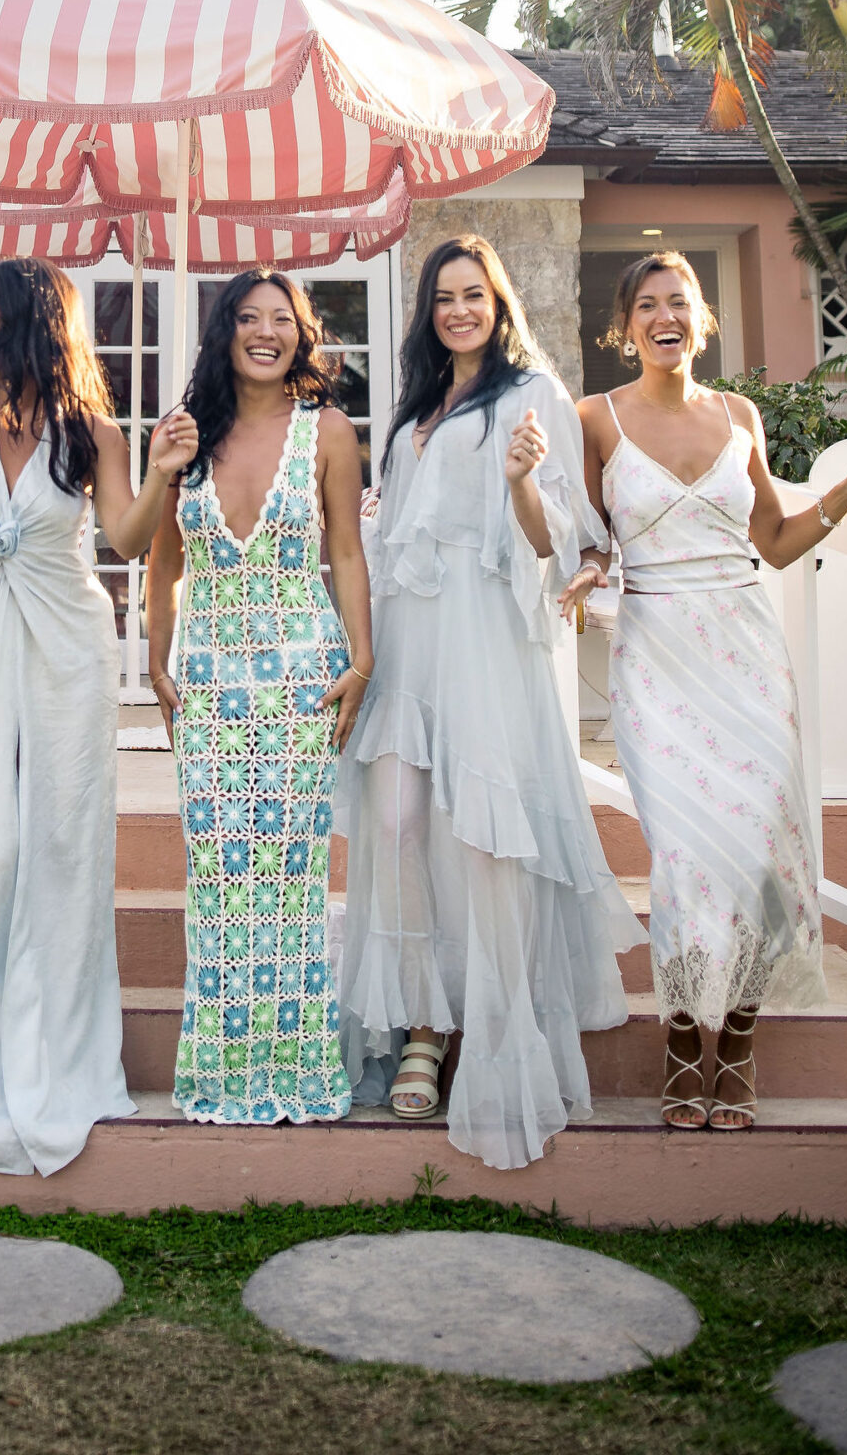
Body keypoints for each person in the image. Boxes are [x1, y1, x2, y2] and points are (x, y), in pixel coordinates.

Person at [579, 249, 847, 1131]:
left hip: (746, 658)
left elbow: (772, 539)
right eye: (647, 304)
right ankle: (681, 1039)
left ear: (703, 320)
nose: (666, 317)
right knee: (691, 861)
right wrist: (579, 572)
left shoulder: (739, 417)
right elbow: (583, 536)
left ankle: (736, 1043)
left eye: (680, 302)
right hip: (656, 660)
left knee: (755, 857)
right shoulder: (593, 420)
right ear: (625, 329)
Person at [0, 255, 195, 1175]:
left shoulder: (91, 428)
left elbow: (127, 540)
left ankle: (55, 1051)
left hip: (67, 636)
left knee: (61, 841)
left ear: (25, 320)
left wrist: (165, 471)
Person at [336, 233, 642, 1170]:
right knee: (395, 831)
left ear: (499, 303)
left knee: (480, 839)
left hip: (479, 642)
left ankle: (496, 1039)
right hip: (405, 645)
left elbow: (554, 543)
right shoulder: (414, 407)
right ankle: (419, 1022)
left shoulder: (531, 396)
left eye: (473, 294)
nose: (458, 310)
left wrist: (516, 483)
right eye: (442, 298)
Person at [144, 271, 372, 1125]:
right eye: (249, 317)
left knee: (289, 882)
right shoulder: (183, 436)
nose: (266, 332)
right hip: (207, 683)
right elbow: (161, 561)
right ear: (224, 332)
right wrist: (158, 660)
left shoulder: (328, 432)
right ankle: (220, 1075)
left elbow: (345, 552)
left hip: (301, 681)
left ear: (302, 334)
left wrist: (362, 662)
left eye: (283, 319)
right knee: (218, 879)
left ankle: (298, 1075)